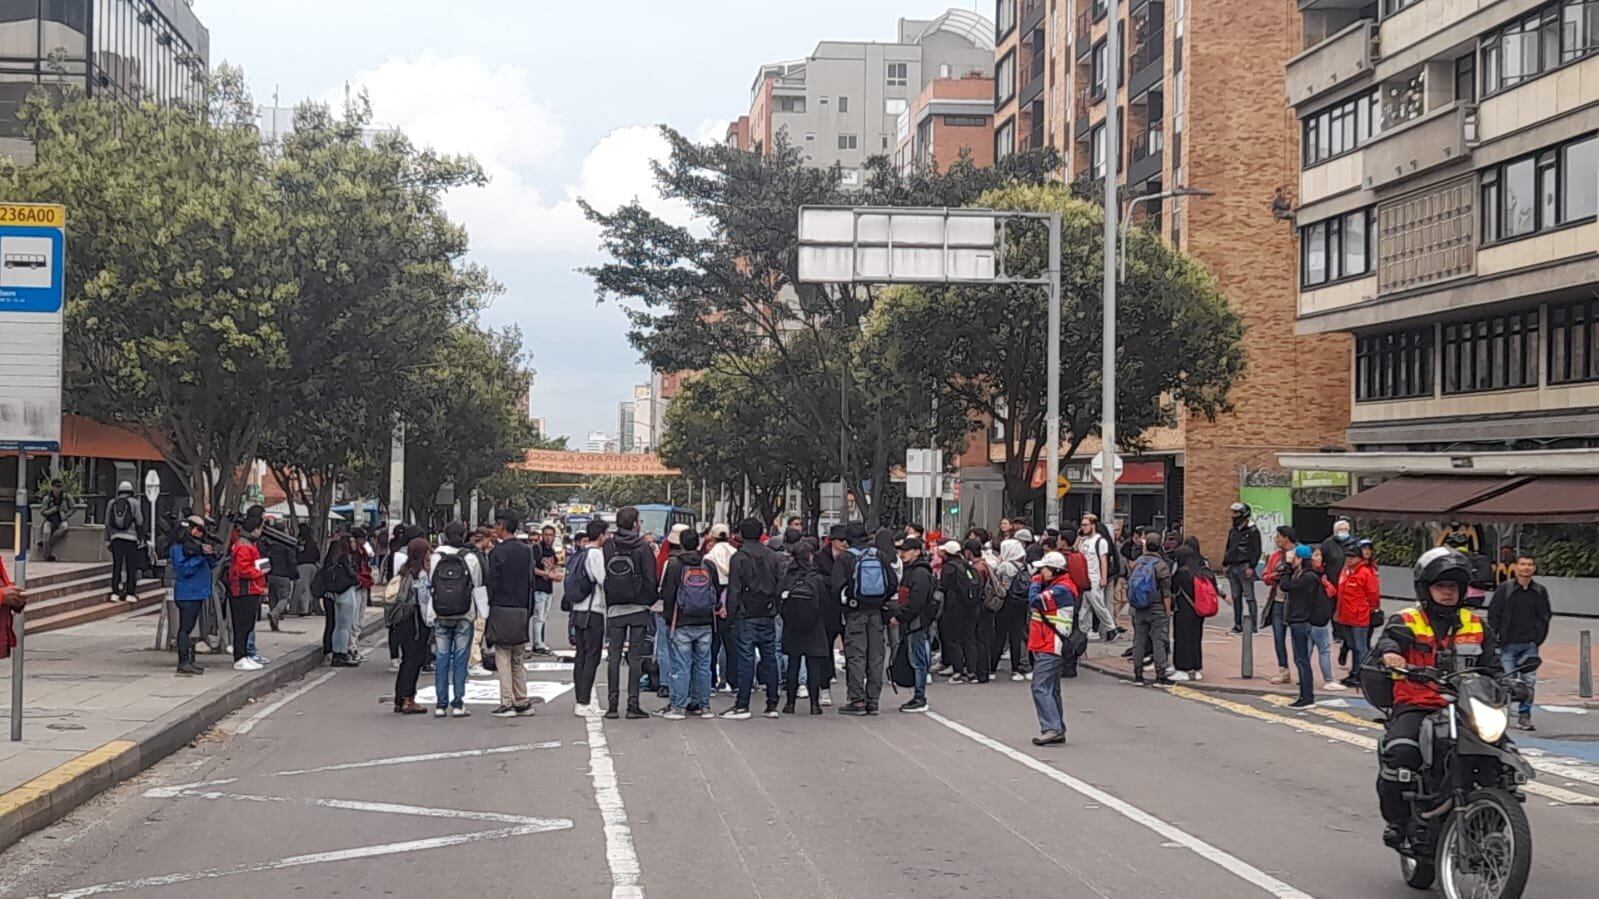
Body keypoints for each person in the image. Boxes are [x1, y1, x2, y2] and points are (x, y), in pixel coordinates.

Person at [1375, 548, 1497, 849]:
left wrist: (1514, 683)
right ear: (1426, 588)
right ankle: (1399, 822)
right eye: (1441, 586)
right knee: (1400, 754)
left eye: (1453, 587)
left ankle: (1497, 820)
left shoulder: (1478, 624)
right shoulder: (1406, 619)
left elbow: (1494, 666)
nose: (1447, 592)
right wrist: (1391, 655)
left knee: (1502, 758)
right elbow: (1389, 641)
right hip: (1418, 703)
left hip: (1468, 708)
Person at [424, 522, 488, 718]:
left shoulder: (436, 556)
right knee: (461, 660)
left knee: (442, 658)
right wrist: (482, 613)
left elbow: (430, 583)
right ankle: (458, 703)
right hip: (464, 613)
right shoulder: (470, 558)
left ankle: (440, 704)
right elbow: (477, 585)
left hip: (440, 613)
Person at [602, 506, 659, 721]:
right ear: (635, 524)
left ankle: (612, 706)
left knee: (614, 657)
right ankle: (633, 705)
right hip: (638, 608)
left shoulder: (609, 545)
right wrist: (648, 600)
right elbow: (650, 578)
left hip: (615, 608)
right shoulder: (643, 548)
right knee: (635, 657)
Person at [835, 522, 898, 716]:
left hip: (855, 613)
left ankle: (857, 700)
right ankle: (873, 701)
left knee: (856, 656)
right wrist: (880, 599)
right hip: (877, 613)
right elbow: (893, 583)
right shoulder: (879, 555)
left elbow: (836, 586)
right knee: (876, 657)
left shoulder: (846, 558)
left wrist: (848, 602)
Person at [659, 525, 722, 719]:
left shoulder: (674, 565)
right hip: (705, 622)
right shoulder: (708, 565)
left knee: (681, 665)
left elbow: (667, 594)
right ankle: (703, 706)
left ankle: (678, 706)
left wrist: (668, 619)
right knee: (703, 665)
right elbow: (716, 592)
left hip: (681, 622)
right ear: (699, 543)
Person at [725, 517, 781, 719]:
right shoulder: (773, 556)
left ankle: (742, 704)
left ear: (741, 533)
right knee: (770, 658)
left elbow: (734, 590)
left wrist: (731, 616)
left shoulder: (738, 558)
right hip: (767, 612)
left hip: (745, 614)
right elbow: (779, 584)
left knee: (746, 660)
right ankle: (772, 703)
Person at [1488, 553, 1551, 731]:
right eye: (1523, 564)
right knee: (1507, 682)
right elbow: (1494, 614)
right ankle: (1503, 716)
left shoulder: (1539, 591)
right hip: (1507, 644)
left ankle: (1525, 715)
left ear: (1534, 568)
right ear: (1516, 567)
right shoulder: (1504, 589)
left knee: (1528, 682)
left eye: (1530, 564)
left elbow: (1545, 615)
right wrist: (1496, 638)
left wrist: (1538, 638)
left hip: (1530, 644)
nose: (1526, 568)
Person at [484, 512, 535, 719]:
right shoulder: (527, 551)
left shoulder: (497, 552)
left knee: (502, 655)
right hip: (522, 607)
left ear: (503, 526)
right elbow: (531, 581)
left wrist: (488, 606)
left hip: (502, 607)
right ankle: (522, 699)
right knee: (518, 657)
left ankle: (506, 702)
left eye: (497, 525)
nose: (495, 529)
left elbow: (492, 583)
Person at [1027, 551, 1078, 746]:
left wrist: (1035, 582)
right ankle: (1057, 726)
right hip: (1047, 642)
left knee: (1040, 686)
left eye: (1044, 569)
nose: (1041, 572)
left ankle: (1052, 728)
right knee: (1051, 688)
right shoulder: (1059, 586)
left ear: (1055, 570)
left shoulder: (1062, 590)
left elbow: (1035, 601)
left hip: (1051, 644)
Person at [778, 541, 830, 715]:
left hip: (792, 626)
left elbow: (779, 599)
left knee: (793, 664)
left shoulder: (788, 577)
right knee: (813, 665)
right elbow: (825, 604)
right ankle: (815, 704)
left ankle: (790, 704)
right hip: (814, 626)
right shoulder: (816, 579)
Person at [569, 520, 611, 717]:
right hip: (593, 611)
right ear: (601, 535)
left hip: (578, 609)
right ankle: (584, 701)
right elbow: (603, 580)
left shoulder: (579, 553)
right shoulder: (596, 554)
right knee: (591, 657)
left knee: (581, 655)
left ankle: (581, 699)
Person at [1280, 544, 1332, 708]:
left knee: (1302, 660)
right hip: (1300, 620)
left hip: (1301, 621)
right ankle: (1305, 695)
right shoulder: (1307, 575)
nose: (1292, 561)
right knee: (1301, 659)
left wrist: (1287, 567)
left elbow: (1285, 585)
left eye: (1294, 558)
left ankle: (1307, 697)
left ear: (1300, 559)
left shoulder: (1308, 577)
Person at [389, 536, 434, 715]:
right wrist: (430, 622)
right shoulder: (421, 575)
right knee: (414, 661)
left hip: (402, 621)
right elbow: (424, 602)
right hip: (416, 622)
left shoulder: (404, 571)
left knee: (406, 660)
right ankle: (409, 699)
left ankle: (400, 698)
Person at [169, 515, 218, 675]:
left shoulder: (197, 545)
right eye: (197, 529)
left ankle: (190, 660)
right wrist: (200, 556)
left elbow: (212, 564)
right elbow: (183, 570)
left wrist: (209, 554)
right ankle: (183, 662)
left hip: (198, 592)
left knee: (191, 629)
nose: (199, 533)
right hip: (187, 593)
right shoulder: (179, 547)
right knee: (185, 628)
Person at [894, 536, 937, 713]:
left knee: (918, 660)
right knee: (919, 658)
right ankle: (919, 695)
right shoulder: (916, 571)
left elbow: (916, 602)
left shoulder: (919, 573)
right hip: (918, 621)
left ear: (917, 552)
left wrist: (901, 617)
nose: (902, 554)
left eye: (906, 550)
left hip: (917, 622)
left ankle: (920, 697)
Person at [1127, 533, 1174, 686]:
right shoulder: (1161, 566)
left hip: (1139, 607)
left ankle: (1138, 674)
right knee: (1159, 640)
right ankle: (1160, 675)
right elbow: (1166, 593)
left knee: (1139, 639)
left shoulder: (1136, 563)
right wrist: (1168, 612)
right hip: (1156, 607)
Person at [1334, 538, 1382, 687]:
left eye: (1352, 557)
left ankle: (1363, 676)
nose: (1348, 559)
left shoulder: (1365, 573)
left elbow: (1373, 594)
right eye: (1347, 557)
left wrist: (1370, 609)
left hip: (1359, 616)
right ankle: (1355, 673)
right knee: (1353, 646)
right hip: (1346, 616)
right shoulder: (1346, 572)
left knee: (1361, 648)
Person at [225, 514, 269, 671]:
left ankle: (243, 655)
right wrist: (260, 570)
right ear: (255, 529)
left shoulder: (247, 544)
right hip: (245, 590)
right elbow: (243, 570)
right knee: (243, 625)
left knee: (247, 625)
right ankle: (240, 656)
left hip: (249, 589)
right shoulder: (244, 546)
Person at [1260, 526, 1297, 685]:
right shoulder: (1275, 556)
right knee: (1278, 637)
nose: (1276, 539)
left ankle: (1303, 670)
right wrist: (1276, 575)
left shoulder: (1299, 553)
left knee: (1299, 639)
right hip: (1278, 601)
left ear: (1286, 538)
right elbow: (1265, 577)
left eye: (1279, 536)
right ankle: (1284, 670)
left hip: (1296, 602)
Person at [991, 538, 1031, 681]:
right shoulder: (1026, 566)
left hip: (1006, 604)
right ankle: (1016, 669)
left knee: (1000, 636)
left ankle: (992, 668)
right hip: (1021, 604)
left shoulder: (1005, 566)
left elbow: (1002, 587)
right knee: (1016, 636)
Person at [1075, 514, 1117, 642]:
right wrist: (1079, 536)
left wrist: (1103, 577)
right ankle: (1084, 631)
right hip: (1085, 578)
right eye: (1082, 525)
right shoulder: (1084, 541)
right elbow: (1076, 550)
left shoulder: (1100, 541)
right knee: (1084, 608)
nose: (1083, 527)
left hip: (1095, 578)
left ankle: (1111, 629)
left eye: (1085, 525)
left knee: (1098, 606)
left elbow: (1103, 560)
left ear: (1093, 525)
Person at [1223, 502, 1262, 635]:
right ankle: (1238, 625)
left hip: (1245, 565)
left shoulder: (1253, 531)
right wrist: (1225, 563)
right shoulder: (1233, 531)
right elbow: (1228, 548)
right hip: (1232, 566)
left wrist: (1252, 566)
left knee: (1249, 596)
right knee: (1236, 597)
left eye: (1236, 513)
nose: (1233, 516)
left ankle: (1253, 626)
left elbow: (1257, 550)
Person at [320, 538, 360, 666]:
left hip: (335, 595)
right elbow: (352, 577)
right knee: (345, 627)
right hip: (346, 594)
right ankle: (341, 654)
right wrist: (356, 578)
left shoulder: (332, 562)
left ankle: (336, 652)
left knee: (337, 626)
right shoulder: (345, 560)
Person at [105, 480, 146, 604]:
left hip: (115, 538)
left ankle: (115, 592)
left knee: (117, 566)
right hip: (131, 539)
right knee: (131, 566)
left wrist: (108, 539)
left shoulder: (111, 503)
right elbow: (139, 521)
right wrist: (141, 537)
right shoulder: (135, 503)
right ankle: (130, 593)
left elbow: (107, 522)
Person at [1170, 543, 1205, 682]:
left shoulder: (1182, 572)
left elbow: (1172, 589)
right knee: (1196, 639)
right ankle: (1197, 669)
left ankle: (1183, 669)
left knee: (1182, 639)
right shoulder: (1201, 570)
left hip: (1183, 610)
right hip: (1199, 610)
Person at [36, 478, 73, 562]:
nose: (58, 489)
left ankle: (47, 543)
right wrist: (51, 510)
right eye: (56, 487)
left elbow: (73, 508)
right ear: (52, 487)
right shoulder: (47, 498)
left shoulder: (66, 497)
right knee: (46, 532)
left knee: (64, 528)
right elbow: (42, 512)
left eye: (60, 487)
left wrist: (66, 515)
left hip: (61, 520)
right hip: (49, 520)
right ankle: (47, 555)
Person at [292, 525, 320, 616]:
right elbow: (317, 555)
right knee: (310, 587)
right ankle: (310, 607)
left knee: (302, 588)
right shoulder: (313, 542)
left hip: (302, 566)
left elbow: (296, 554)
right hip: (313, 566)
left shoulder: (300, 542)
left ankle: (303, 608)